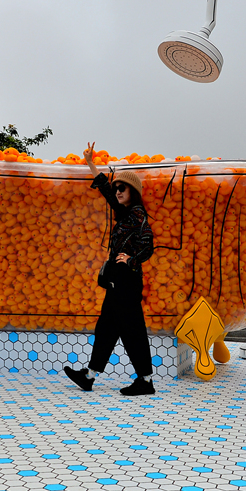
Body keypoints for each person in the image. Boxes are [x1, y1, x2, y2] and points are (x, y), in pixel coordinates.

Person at [65, 142, 156, 396]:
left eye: (122, 188)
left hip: (127, 284)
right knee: (106, 329)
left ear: (133, 191)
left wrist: (131, 260)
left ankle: (145, 381)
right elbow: (105, 190)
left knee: (132, 331)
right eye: (117, 188)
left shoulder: (137, 215)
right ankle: (89, 376)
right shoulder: (125, 213)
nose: (117, 192)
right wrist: (90, 163)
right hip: (118, 284)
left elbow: (149, 245)